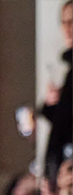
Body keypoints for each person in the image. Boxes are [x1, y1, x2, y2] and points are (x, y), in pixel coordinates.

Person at [40, 0, 72, 183]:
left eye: (72, 22)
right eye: (64, 22)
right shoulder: (68, 69)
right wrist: (54, 105)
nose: (67, 28)